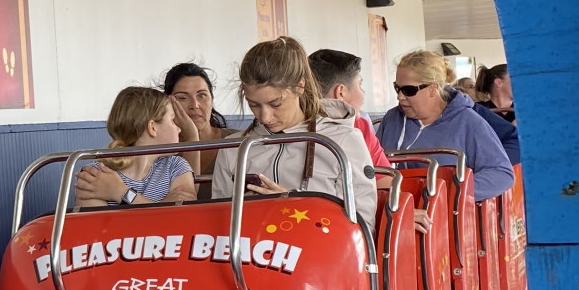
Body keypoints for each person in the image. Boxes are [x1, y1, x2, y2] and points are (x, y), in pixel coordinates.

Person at [210, 37, 378, 225]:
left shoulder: (342, 141)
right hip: (250, 251)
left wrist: (295, 207)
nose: (265, 117)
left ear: (300, 86)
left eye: (276, 104)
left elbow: (363, 227)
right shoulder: (233, 148)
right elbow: (219, 221)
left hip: (320, 251)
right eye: (254, 105)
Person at [379, 50, 515, 205]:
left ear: (433, 88)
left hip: (445, 220)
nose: (400, 97)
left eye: (408, 90)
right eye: (397, 88)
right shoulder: (391, 120)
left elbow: (501, 174)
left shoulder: (468, 122)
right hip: (395, 214)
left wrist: (451, 194)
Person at [73, 87, 196, 207]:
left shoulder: (176, 166)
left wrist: (121, 192)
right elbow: (100, 227)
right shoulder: (95, 175)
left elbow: (184, 218)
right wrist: (162, 207)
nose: (178, 128)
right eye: (172, 120)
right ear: (152, 127)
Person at [306, 48, 393, 169]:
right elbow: (385, 181)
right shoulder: (358, 128)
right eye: (360, 85)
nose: (363, 94)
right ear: (341, 92)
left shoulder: (290, 127)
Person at [162, 61, 239, 177]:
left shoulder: (238, 141)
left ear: (212, 100)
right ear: (168, 103)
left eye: (202, 95)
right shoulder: (160, 149)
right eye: (182, 98)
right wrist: (191, 137)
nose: (194, 105)